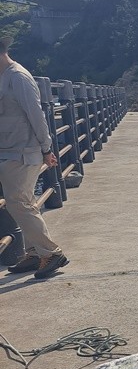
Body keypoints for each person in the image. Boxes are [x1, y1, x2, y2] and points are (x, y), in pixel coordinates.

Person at [0, 36, 69, 279]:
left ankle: (51, 252)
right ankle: (34, 253)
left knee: (20, 203)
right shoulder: (5, 76)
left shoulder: (18, 77)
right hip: (11, 151)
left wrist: (46, 148)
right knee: (22, 202)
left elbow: (36, 115)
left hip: (21, 152)